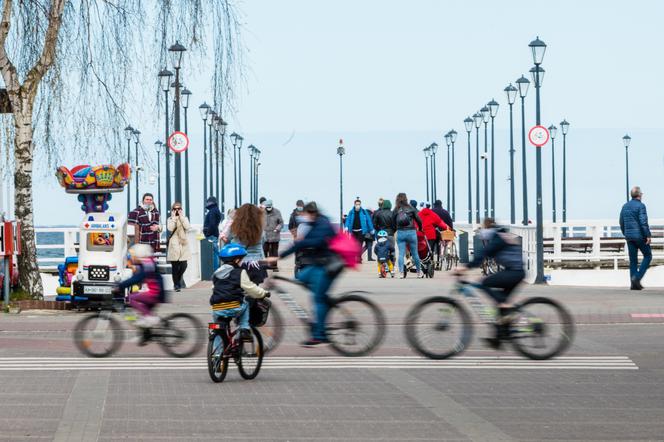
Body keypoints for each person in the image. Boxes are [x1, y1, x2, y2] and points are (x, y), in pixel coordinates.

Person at [268, 201, 338, 346]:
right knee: (300, 277)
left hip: (328, 265)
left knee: (317, 298)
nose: (302, 217)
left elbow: (305, 243)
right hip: (318, 263)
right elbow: (301, 243)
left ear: (312, 213)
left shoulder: (322, 225)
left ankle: (319, 335)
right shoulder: (315, 224)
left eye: (304, 214)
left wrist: (280, 256)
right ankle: (324, 298)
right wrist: (282, 255)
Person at [458, 218, 525, 348]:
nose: (481, 232)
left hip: (514, 272)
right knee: (500, 307)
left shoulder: (497, 238)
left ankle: (506, 306)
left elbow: (483, 254)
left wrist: (464, 267)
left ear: (487, 229)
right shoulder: (501, 234)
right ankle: (499, 338)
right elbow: (484, 255)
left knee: (485, 283)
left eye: (483, 229)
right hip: (516, 272)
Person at [210, 244, 269, 341]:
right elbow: (251, 288)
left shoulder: (216, 273)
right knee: (245, 304)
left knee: (218, 330)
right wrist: (263, 293)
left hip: (217, 308)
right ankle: (244, 329)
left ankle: (217, 353)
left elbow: (214, 288)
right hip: (234, 307)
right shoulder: (240, 272)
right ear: (236, 260)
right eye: (241, 259)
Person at [115, 244, 166, 344]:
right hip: (156, 292)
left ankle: (151, 318)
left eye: (134, 255)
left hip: (155, 293)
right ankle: (146, 336)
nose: (133, 257)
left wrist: (120, 286)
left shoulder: (147, 263)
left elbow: (137, 278)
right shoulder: (147, 263)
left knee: (131, 298)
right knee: (143, 318)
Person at [619, 186, 652, 290]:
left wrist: (626, 233)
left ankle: (634, 285)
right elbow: (643, 222)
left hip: (629, 237)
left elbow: (621, 222)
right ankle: (637, 278)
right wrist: (647, 235)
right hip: (640, 237)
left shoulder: (625, 206)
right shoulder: (641, 206)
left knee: (633, 260)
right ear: (639, 195)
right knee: (648, 255)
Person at [230, 203, 267, 282]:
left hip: (240, 263)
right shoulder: (260, 230)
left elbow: (228, 239)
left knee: (240, 288)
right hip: (256, 264)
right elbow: (264, 240)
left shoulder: (235, 229)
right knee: (254, 288)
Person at [393, 193, 424, 278]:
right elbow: (418, 220)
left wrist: (395, 229)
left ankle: (401, 273)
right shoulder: (411, 208)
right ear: (406, 199)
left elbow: (392, 222)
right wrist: (421, 228)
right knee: (415, 253)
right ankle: (419, 272)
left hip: (400, 233)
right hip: (411, 232)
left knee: (401, 254)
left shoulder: (396, 209)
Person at [166, 202, 191, 292]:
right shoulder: (170, 219)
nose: (177, 210)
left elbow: (187, 227)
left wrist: (181, 217)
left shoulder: (184, 218)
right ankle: (176, 284)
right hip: (174, 243)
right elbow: (170, 228)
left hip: (183, 243)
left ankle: (178, 280)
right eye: (175, 209)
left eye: (179, 209)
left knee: (184, 265)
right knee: (175, 266)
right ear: (172, 210)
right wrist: (174, 218)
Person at [263, 199, 284, 271]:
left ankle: (274, 266)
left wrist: (277, 229)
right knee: (264, 251)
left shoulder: (277, 212)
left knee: (274, 252)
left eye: (270, 206)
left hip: (275, 235)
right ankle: (265, 266)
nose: (268, 208)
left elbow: (281, 223)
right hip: (265, 236)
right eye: (267, 206)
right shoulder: (262, 212)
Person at [203, 196, 223, 270]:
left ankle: (215, 270)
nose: (206, 203)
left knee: (214, 254)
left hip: (211, 235)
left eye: (208, 202)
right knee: (215, 253)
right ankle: (216, 269)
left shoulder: (212, 211)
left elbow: (212, 224)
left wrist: (207, 233)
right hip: (214, 234)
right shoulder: (216, 210)